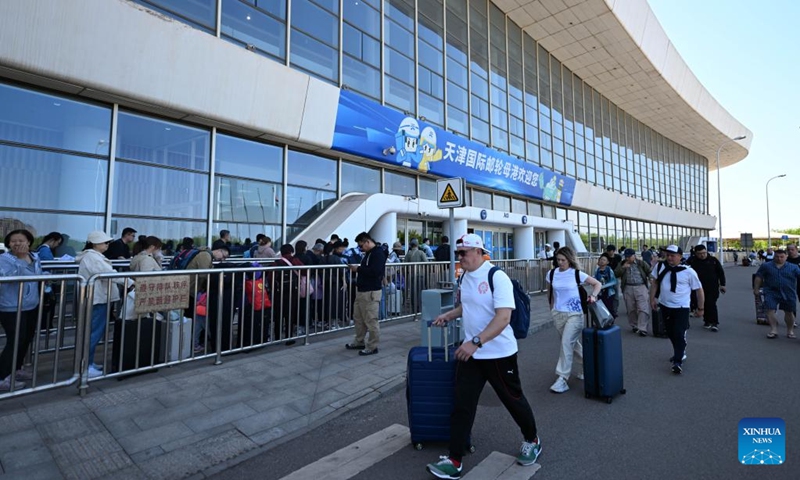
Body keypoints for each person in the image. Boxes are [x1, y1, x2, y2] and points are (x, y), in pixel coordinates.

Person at [426, 233, 541, 479]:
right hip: (473, 355)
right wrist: (449, 315)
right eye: (458, 253)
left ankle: (532, 439)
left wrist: (476, 342)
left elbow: (503, 318)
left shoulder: (496, 276)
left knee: (513, 399)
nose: (459, 257)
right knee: (462, 405)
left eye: (463, 253)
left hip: (499, 354)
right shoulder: (465, 276)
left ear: (478, 252)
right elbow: (467, 306)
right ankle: (454, 459)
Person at [546, 246, 602, 393]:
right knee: (571, 344)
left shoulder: (577, 274)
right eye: (558, 260)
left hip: (575, 314)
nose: (560, 263)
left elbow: (597, 283)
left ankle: (562, 378)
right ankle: (589, 366)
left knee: (566, 343)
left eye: (563, 260)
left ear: (570, 260)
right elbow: (550, 293)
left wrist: (594, 295)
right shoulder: (551, 274)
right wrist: (552, 309)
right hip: (558, 313)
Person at [77, 231, 132, 378]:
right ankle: (85, 367)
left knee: (93, 331)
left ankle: (88, 363)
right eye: (105, 242)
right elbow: (109, 273)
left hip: (97, 297)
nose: (107, 245)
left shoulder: (92, 256)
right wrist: (131, 283)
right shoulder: (93, 257)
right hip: (97, 299)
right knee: (93, 332)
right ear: (95, 243)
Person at [0, 229, 46, 391]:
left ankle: (16, 369)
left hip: (31, 304)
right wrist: (20, 259)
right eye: (13, 241)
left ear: (29, 241)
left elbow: (36, 275)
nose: (17, 243)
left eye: (21, 240)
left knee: (26, 338)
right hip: (11, 307)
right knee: (15, 340)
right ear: (8, 243)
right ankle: (2, 376)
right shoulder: (4, 259)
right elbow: (6, 278)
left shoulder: (35, 256)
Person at [649, 245, 704, 374]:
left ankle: (677, 361)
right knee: (670, 333)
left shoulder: (688, 271)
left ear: (680, 257)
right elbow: (655, 283)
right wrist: (652, 299)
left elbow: (699, 290)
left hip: (681, 307)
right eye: (668, 255)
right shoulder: (660, 267)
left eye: (673, 255)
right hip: (665, 305)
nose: (669, 258)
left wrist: (701, 308)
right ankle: (679, 351)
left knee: (679, 333)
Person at [345, 232, 386, 356]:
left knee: (371, 320)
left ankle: (372, 346)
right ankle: (359, 341)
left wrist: (358, 269)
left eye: (361, 246)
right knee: (359, 319)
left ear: (367, 242)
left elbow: (376, 271)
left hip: (371, 291)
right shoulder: (368, 254)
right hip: (362, 291)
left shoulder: (378, 253)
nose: (360, 248)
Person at [753, 249, 800, 340]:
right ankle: (773, 330)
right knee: (770, 310)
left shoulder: (794, 267)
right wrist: (756, 289)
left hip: (788, 292)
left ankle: (790, 331)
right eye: (777, 257)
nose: (779, 259)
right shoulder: (766, 266)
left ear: (786, 257)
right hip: (771, 291)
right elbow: (759, 276)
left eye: (782, 257)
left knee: (789, 312)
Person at [686, 244, 726, 331]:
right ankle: (707, 321)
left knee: (711, 304)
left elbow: (720, 272)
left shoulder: (713, 260)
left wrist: (722, 285)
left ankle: (714, 323)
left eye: (704, 253)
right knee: (702, 304)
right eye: (700, 253)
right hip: (698, 288)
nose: (702, 255)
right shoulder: (692, 261)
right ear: (696, 254)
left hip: (712, 287)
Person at [615, 248, 652, 336]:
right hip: (628, 287)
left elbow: (649, 271)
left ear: (634, 256)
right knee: (631, 308)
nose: (627, 258)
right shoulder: (622, 264)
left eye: (629, 256)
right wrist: (623, 268)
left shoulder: (641, 263)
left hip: (641, 286)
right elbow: (616, 274)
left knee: (643, 307)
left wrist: (650, 278)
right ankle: (634, 325)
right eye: (626, 256)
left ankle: (642, 328)